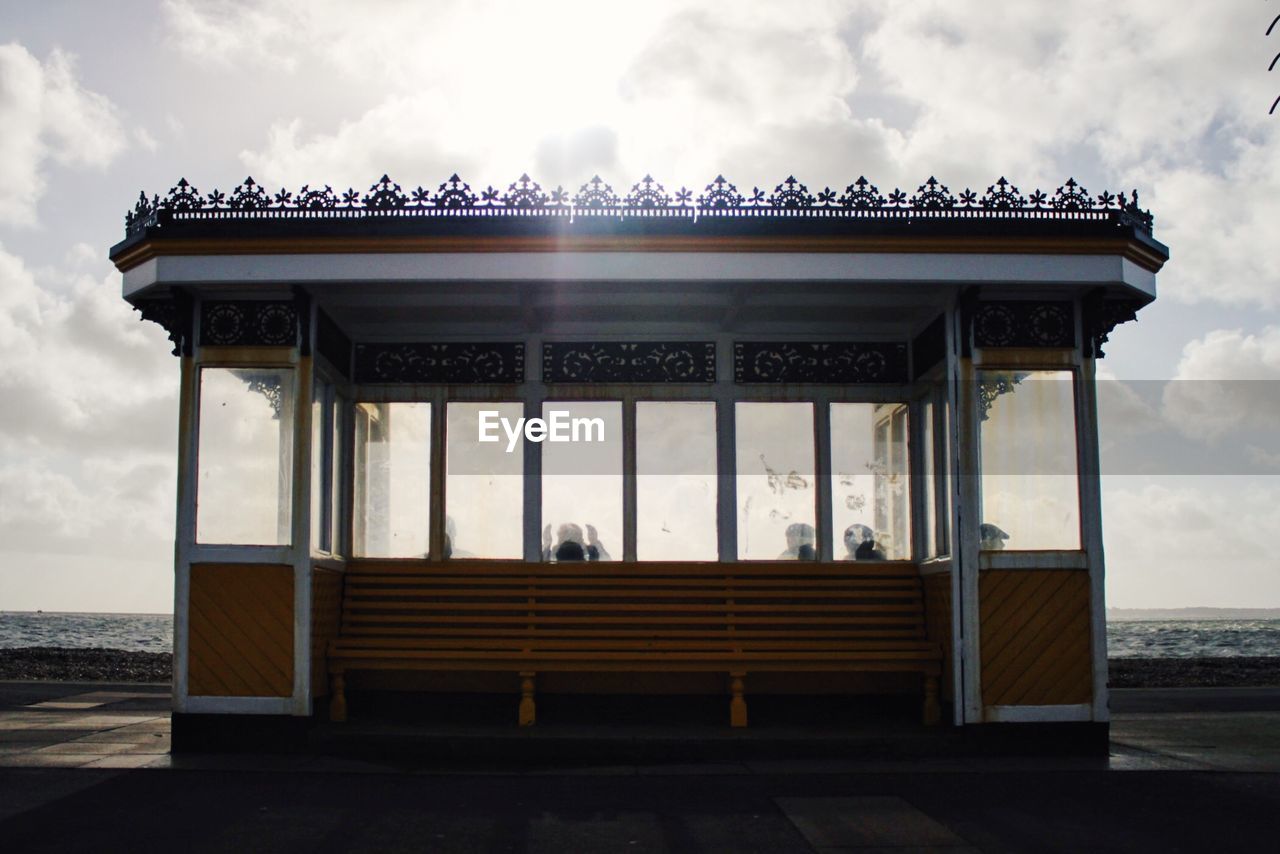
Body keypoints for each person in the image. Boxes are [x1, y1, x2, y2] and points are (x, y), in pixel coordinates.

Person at [543, 522, 611, 562]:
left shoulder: (554, 554)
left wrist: (547, 545)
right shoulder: (591, 555)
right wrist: (594, 542)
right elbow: (608, 565)